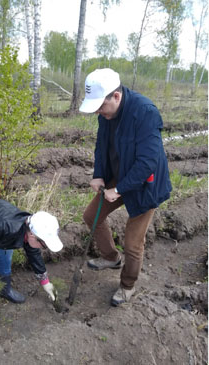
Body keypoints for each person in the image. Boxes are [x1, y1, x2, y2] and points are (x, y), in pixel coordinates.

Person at [79, 68, 172, 306]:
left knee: (132, 243)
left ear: (116, 96)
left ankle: (127, 284)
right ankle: (111, 257)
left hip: (144, 184)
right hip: (118, 177)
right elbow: (102, 146)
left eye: (101, 105)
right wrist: (99, 175)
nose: (99, 111)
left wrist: (119, 190)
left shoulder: (145, 113)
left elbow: (148, 162)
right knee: (92, 216)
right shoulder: (106, 114)